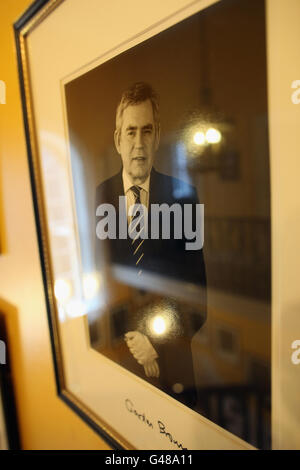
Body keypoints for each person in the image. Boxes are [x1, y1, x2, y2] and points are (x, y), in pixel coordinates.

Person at [95, 82, 206, 409]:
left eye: (146, 131)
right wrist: (133, 338)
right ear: (118, 140)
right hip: (120, 366)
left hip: (176, 364)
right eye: (130, 132)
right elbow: (106, 283)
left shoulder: (184, 197)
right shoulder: (102, 195)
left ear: (157, 136)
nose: (139, 144)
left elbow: (199, 296)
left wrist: (154, 342)